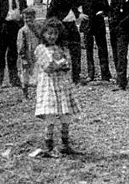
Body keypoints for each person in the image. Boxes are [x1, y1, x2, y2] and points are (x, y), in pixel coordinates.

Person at [29, 18, 81, 158]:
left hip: (62, 84)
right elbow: (48, 67)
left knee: (66, 114)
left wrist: (60, 64)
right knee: (50, 115)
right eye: (49, 33)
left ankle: (65, 144)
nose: (52, 36)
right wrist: (60, 64)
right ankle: (48, 145)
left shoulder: (61, 48)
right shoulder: (41, 49)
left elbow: (67, 66)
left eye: (55, 33)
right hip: (49, 85)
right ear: (43, 34)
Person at [47, 0, 83, 84]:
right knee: (60, 53)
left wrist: (77, 14)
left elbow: (77, 6)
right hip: (61, 28)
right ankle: (60, 78)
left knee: (76, 51)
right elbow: (49, 16)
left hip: (72, 27)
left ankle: (76, 77)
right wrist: (57, 26)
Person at [80, 0, 112, 82]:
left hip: (99, 26)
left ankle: (105, 74)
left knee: (102, 50)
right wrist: (79, 14)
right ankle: (90, 74)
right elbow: (73, 6)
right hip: (88, 26)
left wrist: (103, 12)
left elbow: (108, 10)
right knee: (89, 51)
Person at [17, 7, 41, 100]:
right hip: (27, 56)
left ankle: (38, 94)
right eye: (26, 18)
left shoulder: (37, 29)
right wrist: (23, 58)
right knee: (25, 74)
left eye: (30, 18)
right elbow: (20, 46)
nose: (28, 20)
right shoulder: (22, 31)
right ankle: (25, 94)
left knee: (38, 74)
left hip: (36, 55)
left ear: (34, 17)